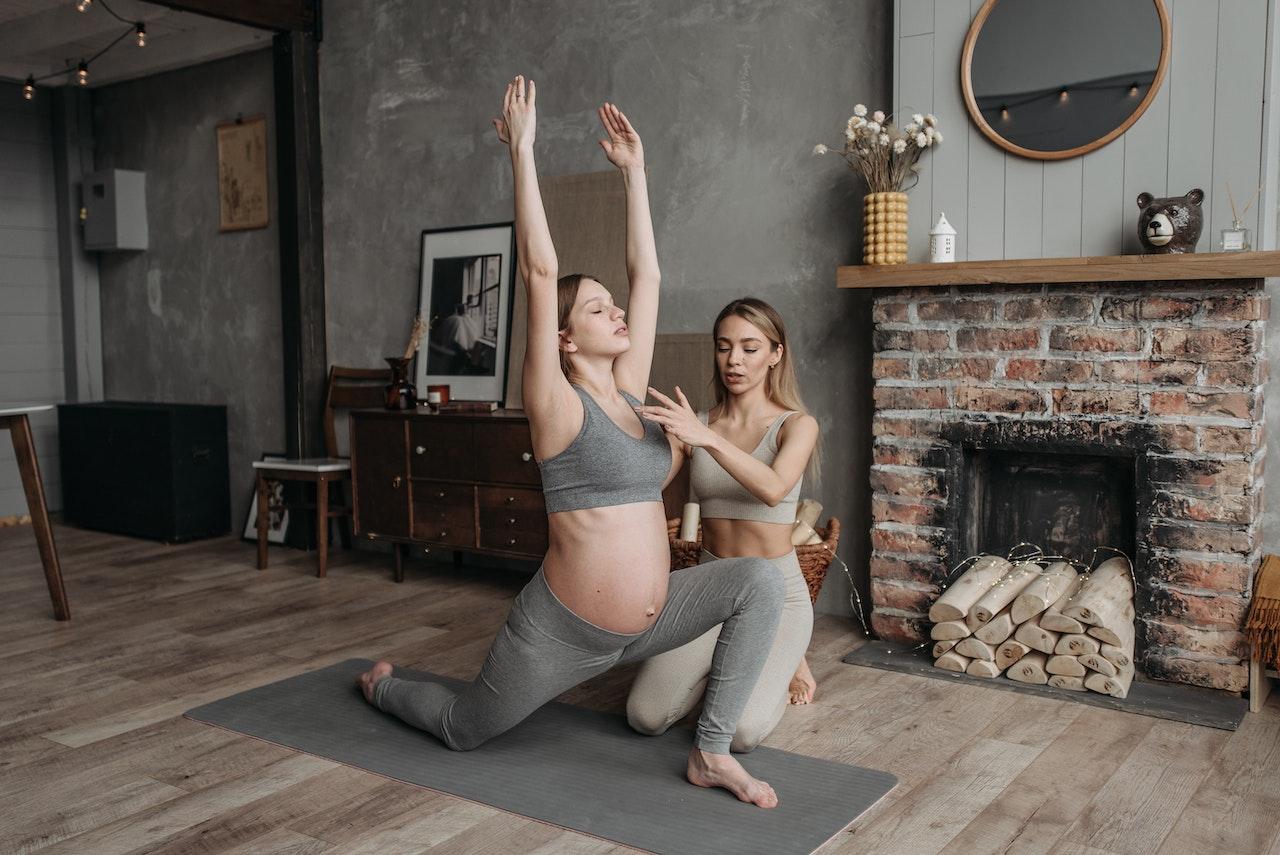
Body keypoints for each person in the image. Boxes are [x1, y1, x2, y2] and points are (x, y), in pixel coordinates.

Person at [357, 76, 785, 809]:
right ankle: (382, 686)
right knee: (464, 727)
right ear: (564, 336)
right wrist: (522, 153)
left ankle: (710, 753)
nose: (616, 311)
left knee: (759, 580)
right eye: (597, 308)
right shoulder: (552, 402)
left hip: (650, 621)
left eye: (612, 306)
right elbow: (540, 269)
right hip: (561, 633)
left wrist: (636, 173)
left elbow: (648, 274)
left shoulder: (627, 389)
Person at [627, 299, 820, 752]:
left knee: (740, 735)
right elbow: (649, 489)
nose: (734, 360)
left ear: (776, 353)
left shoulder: (797, 425)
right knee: (644, 717)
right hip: (710, 587)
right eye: (724, 347)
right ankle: (733, 660)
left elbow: (773, 489)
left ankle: (789, 656)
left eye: (750, 348)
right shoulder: (694, 424)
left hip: (777, 594)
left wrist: (707, 439)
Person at [428, 302, 483, 374]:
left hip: (452, 352)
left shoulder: (452, 320)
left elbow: (439, 336)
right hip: (455, 352)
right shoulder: (461, 320)